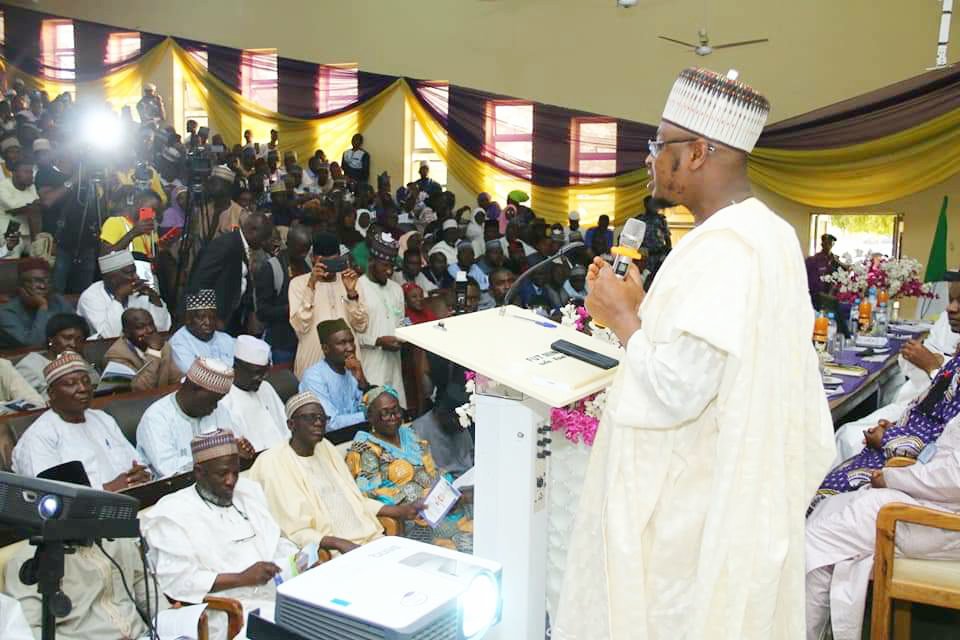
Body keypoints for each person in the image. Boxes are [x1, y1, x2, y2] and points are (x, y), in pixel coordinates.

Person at [554, 68, 835, 640]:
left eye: (661, 145)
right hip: (720, 485)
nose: (652, 159)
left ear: (700, 152)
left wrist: (623, 318)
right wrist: (636, 306)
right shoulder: (769, 234)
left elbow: (677, 389)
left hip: (691, 508)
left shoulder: (726, 248)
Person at [806, 417, 960, 640]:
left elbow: (952, 478)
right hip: (934, 501)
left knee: (817, 541)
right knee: (827, 510)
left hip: (942, 520)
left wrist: (891, 479)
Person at [142, 430, 299, 640]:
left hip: (277, 592)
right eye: (222, 474)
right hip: (225, 612)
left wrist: (300, 561)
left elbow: (276, 541)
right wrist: (241, 578)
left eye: (235, 472)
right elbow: (178, 580)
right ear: (199, 472)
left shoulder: (248, 493)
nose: (231, 481)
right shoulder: (173, 512)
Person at [250, 392, 422, 553]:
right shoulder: (274, 463)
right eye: (310, 417)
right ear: (291, 424)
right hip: (335, 553)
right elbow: (296, 532)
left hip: (369, 541)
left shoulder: (325, 447)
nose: (318, 423)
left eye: (322, 418)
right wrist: (340, 544)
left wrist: (399, 511)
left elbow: (356, 501)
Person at [4, 462, 157, 640]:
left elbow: (140, 580)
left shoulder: (114, 535)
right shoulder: (28, 561)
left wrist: (166, 617)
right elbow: (28, 630)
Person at [811, 349, 960, 508]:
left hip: (908, 475)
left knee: (826, 497)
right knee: (822, 491)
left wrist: (887, 438)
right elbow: (929, 415)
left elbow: (937, 446)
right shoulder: (956, 363)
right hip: (901, 458)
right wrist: (897, 427)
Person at [832, 278, 960, 463]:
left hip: (931, 441)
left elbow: (948, 422)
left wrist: (933, 367)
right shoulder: (946, 323)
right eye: (951, 299)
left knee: (850, 439)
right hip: (914, 411)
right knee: (846, 433)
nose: (951, 308)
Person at [347, 386, 473, 553]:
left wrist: (450, 491)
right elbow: (368, 495)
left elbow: (433, 469)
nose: (393, 417)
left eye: (396, 410)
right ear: (370, 417)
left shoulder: (409, 434)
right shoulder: (364, 448)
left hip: (440, 504)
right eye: (385, 413)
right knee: (461, 543)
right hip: (412, 516)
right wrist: (408, 504)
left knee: (483, 518)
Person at [12, 352, 151, 490]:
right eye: (71, 384)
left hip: (137, 495)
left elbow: (138, 463)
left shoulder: (103, 419)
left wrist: (141, 475)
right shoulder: (39, 437)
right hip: (93, 504)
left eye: (86, 381)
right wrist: (110, 488)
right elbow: (51, 494)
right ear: (52, 394)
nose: (83, 389)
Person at [136, 357, 240, 477]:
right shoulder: (156, 418)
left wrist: (238, 451)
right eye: (213, 400)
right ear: (195, 388)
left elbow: (232, 448)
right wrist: (216, 457)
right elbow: (169, 469)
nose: (216, 406)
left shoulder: (220, 411)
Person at [288, 232, 368, 378]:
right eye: (326, 263)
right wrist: (311, 286)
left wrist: (351, 294)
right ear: (313, 259)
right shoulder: (298, 284)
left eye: (334, 262)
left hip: (348, 365)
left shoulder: (351, 281)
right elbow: (300, 326)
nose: (330, 268)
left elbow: (361, 326)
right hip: (313, 362)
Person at [190, 211, 273, 334]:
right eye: (264, 238)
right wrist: (210, 317)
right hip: (213, 319)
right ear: (253, 230)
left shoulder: (241, 245)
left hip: (232, 317)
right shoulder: (225, 245)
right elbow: (201, 281)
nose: (265, 243)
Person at [356, 232, 406, 404]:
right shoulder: (357, 288)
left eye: (392, 266)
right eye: (384, 266)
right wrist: (377, 341)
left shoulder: (397, 289)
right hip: (370, 367)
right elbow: (351, 333)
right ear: (371, 261)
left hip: (394, 367)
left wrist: (404, 336)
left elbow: (401, 322)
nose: (389, 271)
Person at [77, 250, 171, 339]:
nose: (136, 276)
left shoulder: (139, 291)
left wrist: (154, 298)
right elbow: (110, 336)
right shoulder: (91, 297)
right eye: (130, 273)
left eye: (135, 271)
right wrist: (119, 298)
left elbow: (163, 329)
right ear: (112, 278)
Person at [299, 319, 370, 435]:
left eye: (351, 341)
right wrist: (369, 415)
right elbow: (330, 424)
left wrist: (362, 380)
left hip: (357, 434)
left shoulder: (352, 370)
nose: (350, 348)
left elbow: (367, 405)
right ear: (325, 349)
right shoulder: (314, 377)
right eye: (342, 343)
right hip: (330, 439)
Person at [220, 335, 288, 452]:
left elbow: (285, 426)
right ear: (237, 367)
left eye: (265, 372)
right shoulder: (223, 397)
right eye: (257, 373)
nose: (262, 378)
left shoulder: (265, 387)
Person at [15, 313, 96, 399]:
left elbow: (96, 384)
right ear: (51, 339)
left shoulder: (77, 360)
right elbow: (29, 401)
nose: (73, 344)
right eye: (67, 338)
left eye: (79, 340)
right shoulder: (28, 366)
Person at [0, 258, 74, 348]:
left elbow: (79, 331)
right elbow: (35, 344)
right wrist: (42, 306)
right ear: (21, 285)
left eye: (48, 281)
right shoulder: (7, 312)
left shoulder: (58, 301)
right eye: (37, 281)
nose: (43, 286)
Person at [104, 308, 182, 391]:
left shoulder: (163, 346)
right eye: (140, 327)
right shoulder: (115, 355)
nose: (150, 330)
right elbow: (139, 390)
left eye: (151, 324)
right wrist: (154, 352)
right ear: (126, 333)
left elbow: (177, 381)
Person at [254, 228, 298, 364]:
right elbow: (262, 311)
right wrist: (288, 309)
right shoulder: (270, 267)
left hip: (303, 341)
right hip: (282, 343)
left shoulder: (308, 265)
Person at [168, 289, 237, 374]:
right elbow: (196, 375)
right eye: (201, 317)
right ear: (188, 319)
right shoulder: (179, 343)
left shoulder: (226, 339)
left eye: (212, 317)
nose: (208, 322)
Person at [411, 384, 474, 477]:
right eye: (455, 418)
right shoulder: (419, 430)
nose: (459, 425)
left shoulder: (459, 422)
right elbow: (426, 472)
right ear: (440, 412)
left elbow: (471, 455)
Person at [0, 159, 39, 250]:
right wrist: (36, 205)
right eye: (26, 172)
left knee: (37, 257)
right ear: (14, 173)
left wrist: (36, 205)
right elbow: (19, 208)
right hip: (9, 234)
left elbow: (37, 205)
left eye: (31, 172)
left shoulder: (31, 186)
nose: (30, 176)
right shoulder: (2, 187)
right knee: (13, 258)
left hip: (28, 233)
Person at [638, 195, 673, 287]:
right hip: (644, 257)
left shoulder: (661, 220)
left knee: (658, 280)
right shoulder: (640, 219)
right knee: (643, 280)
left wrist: (667, 253)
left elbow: (667, 238)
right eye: (650, 204)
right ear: (645, 205)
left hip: (658, 256)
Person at [805, 233, 840, 303]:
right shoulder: (813, 260)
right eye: (826, 243)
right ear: (822, 244)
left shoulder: (836, 260)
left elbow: (839, 278)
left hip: (830, 297)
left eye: (830, 243)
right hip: (815, 297)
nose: (828, 245)